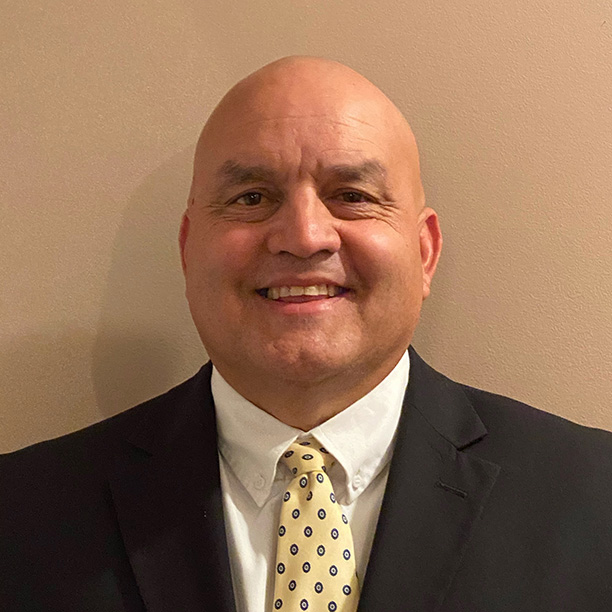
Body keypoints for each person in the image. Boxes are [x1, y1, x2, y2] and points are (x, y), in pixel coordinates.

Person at [1, 56, 611, 612]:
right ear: (189, 252)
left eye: (351, 196)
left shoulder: (595, 500)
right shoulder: (21, 515)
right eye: (251, 197)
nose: (303, 236)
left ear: (424, 253)